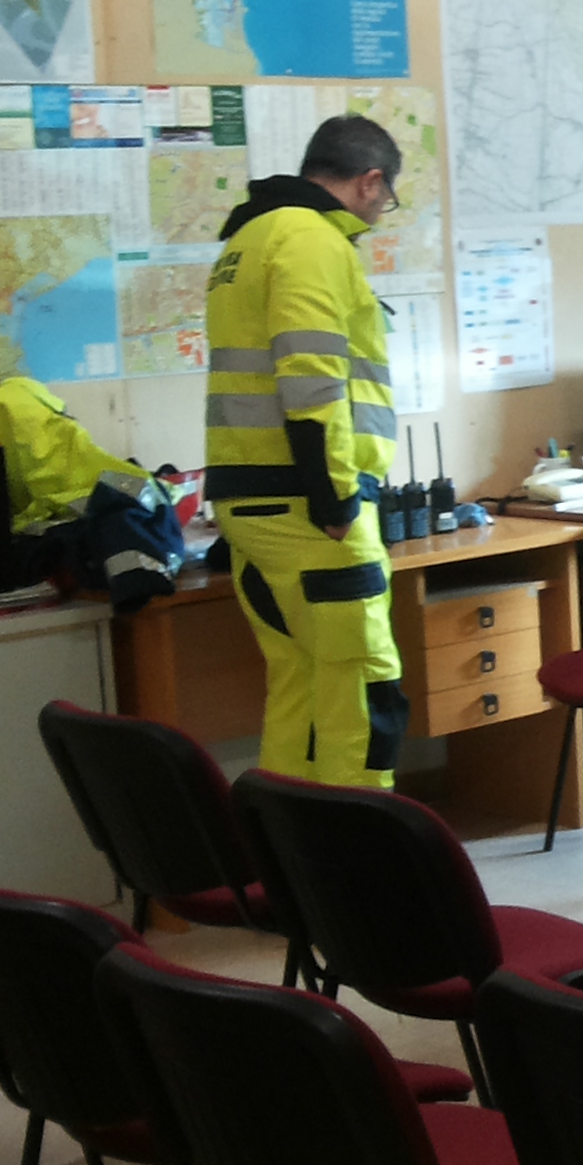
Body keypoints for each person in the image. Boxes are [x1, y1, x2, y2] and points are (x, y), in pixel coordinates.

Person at [202, 113, 405, 787]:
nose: (380, 213)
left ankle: (288, 843)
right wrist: (336, 499)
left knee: (302, 688)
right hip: (309, 507)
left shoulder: (249, 238)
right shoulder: (311, 240)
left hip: (250, 498)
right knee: (363, 691)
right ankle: (363, 844)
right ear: (370, 182)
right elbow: (312, 380)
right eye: (386, 197)